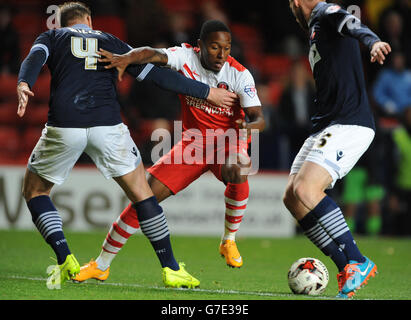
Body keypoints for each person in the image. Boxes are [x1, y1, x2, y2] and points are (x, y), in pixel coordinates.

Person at [16, 2, 237, 289]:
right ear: (89, 20)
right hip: (108, 127)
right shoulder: (109, 40)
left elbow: (35, 58)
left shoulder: (52, 37)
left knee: (35, 191)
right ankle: (171, 269)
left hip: (65, 125)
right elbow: (156, 76)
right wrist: (206, 91)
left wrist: (24, 82)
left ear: (60, 23)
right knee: (143, 195)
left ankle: (65, 257)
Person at [73, 19, 265, 282]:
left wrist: (248, 126)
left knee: (239, 166)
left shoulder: (239, 74)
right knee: (144, 199)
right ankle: (102, 264)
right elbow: (152, 54)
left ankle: (228, 239)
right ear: (200, 46)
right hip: (193, 144)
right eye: (214, 48)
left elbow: (258, 117)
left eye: (226, 48)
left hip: (229, 142)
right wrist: (126, 58)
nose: (221, 54)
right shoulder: (185, 56)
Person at [285, 0, 391, 298]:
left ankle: (358, 259)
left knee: (307, 190)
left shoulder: (325, 12)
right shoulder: (316, 28)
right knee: (293, 197)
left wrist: (372, 42)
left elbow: (351, 22)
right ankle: (346, 267)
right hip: (326, 125)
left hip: (349, 123)